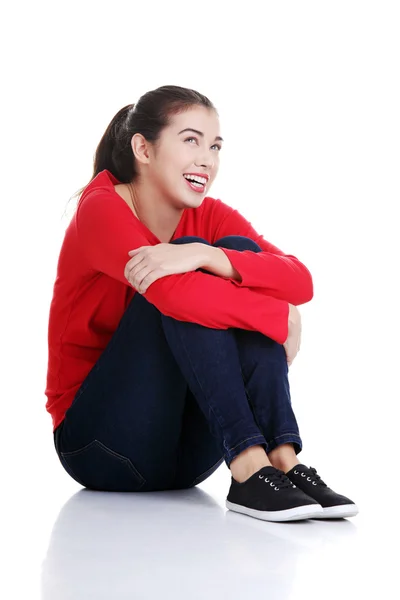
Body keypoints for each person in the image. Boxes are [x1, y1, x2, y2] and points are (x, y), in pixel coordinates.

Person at [46, 84, 358, 523]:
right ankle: (249, 462)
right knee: (189, 280)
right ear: (144, 149)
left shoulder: (210, 214)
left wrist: (213, 256)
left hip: (189, 457)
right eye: (190, 140)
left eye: (215, 146)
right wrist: (280, 317)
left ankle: (279, 459)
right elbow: (173, 295)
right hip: (100, 447)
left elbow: (299, 281)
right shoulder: (100, 210)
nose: (207, 160)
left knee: (228, 249)